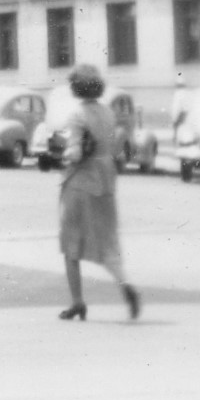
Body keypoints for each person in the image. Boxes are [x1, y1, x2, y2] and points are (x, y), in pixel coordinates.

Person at [57, 62, 140, 321]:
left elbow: (76, 153)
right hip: (106, 182)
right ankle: (124, 284)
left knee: (71, 243)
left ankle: (77, 302)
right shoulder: (108, 113)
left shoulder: (77, 116)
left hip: (80, 183)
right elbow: (115, 148)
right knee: (107, 240)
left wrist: (65, 154)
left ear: (76, 88)